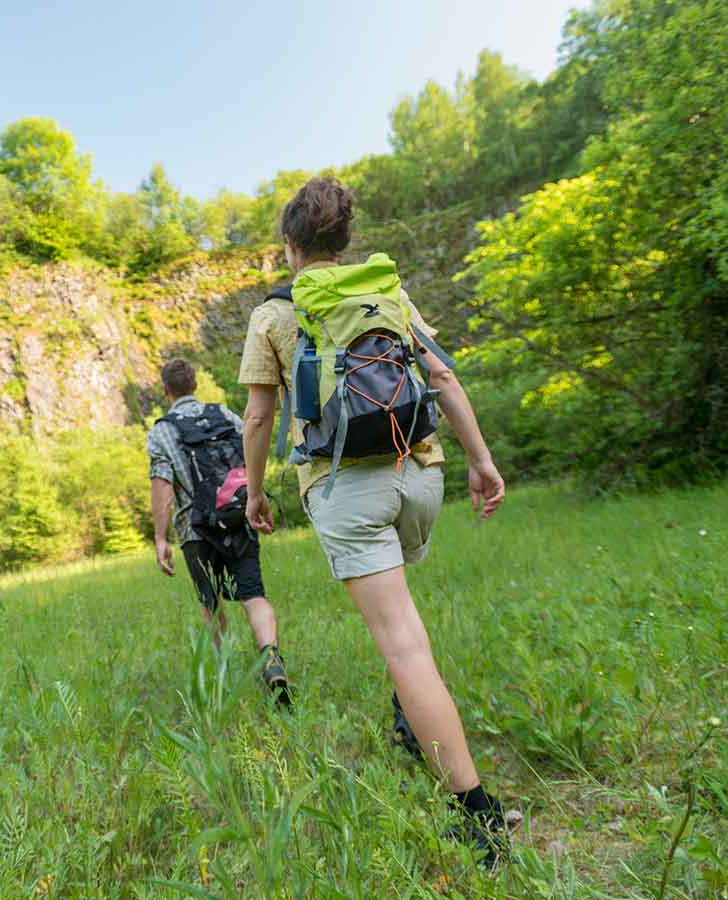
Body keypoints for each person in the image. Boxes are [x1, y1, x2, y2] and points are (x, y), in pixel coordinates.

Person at [238, 176, 509, 865]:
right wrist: (481, 461)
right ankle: (410, 717)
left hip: (346, 487)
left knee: (403, 643)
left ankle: (478, 815)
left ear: (290, 244)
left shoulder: (274, 314)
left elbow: (261, 415)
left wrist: (255, 494)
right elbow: (443, 378)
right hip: (418, 476)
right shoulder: (388, 292)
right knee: (405, 622)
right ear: (345, 239)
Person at [147, 358, 290, 703]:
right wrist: (256, 496)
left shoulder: (161, 431)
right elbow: (251, 449)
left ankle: (226, 674)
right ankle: (270, 659)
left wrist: (161, 537)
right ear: (195, 384)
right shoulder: (224, 415)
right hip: (238, 517)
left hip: (195, 531)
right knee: (253, 595)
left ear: (166, 391)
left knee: (211, 605)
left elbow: (162, 486)